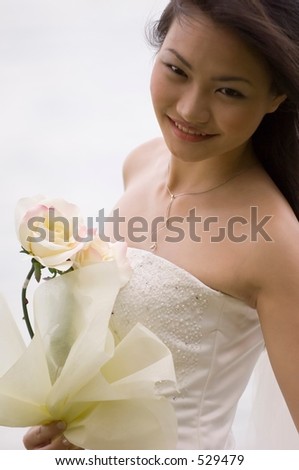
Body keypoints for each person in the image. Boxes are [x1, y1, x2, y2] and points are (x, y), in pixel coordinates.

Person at [23, 0, 299, 450]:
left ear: (275, 97)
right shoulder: (140, 164)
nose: (191, 110)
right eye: (176, 70)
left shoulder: (275, 241)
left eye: (229, 92)